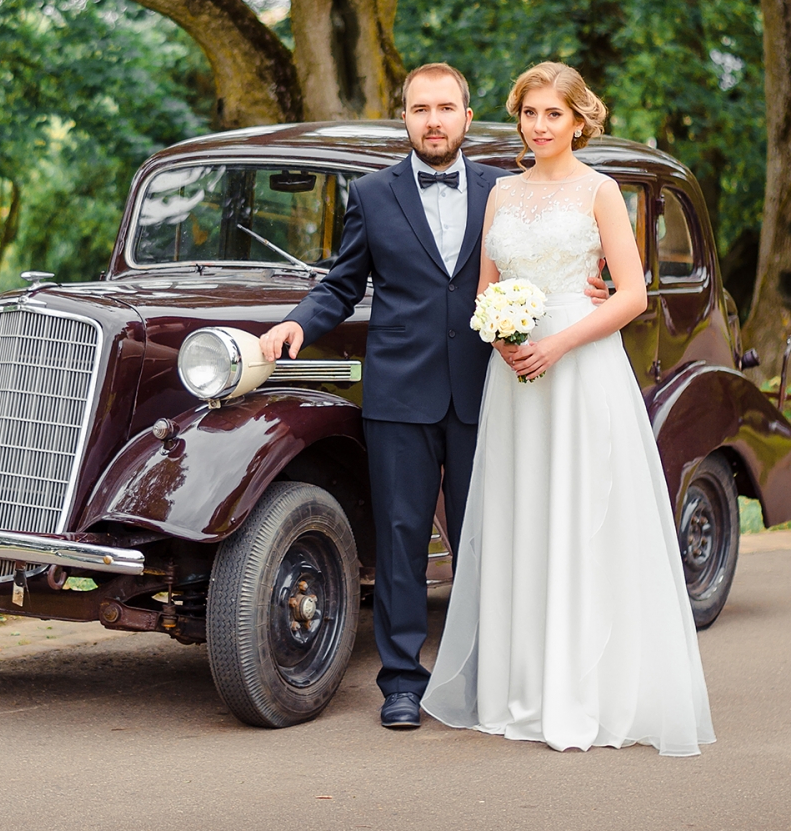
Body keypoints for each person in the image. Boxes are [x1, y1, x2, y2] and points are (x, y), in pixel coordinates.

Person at [259, 63, 608, 730]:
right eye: (421, 109)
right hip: (399, 394)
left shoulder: (506, 190)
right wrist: (297, 322)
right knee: (400, 539)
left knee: (491, 538)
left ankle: (483, 673)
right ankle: (399, 680)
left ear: (468, 119)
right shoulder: (370, 194)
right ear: (406, 118)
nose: (435, 120)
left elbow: (549, 262)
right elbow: (341, 283)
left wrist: (594, 286)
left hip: (493, 390)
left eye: (447, 108)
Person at [421, 62, 714, 755]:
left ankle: (584, 689)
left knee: (581, 516)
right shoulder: (501, 193)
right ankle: (521, 684)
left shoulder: (601, 191)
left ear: (580, 120)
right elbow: (486, 289)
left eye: (554, 114)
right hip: (514, 376)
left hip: (580, 368)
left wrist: (554, 345)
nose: (540, 126)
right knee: (524, 517)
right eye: (529, 114)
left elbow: (632, 295)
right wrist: (503, 337)